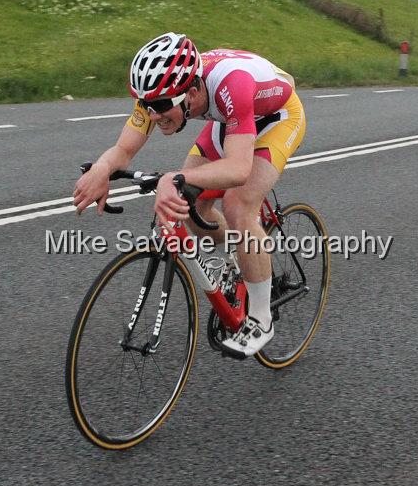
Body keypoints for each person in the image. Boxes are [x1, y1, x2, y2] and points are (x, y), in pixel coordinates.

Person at [73, 32, 306, 356]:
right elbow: (125, 147)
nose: (153, 115)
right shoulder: (164, 92)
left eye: (162, 106)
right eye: (147, 106)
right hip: (230, 116)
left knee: (237, 205)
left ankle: (261, 320)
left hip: (276, 116)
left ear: (192, 91)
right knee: (191, 204)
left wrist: (176, 176)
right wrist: (101, 169)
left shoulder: (230, 85)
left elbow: (238, 169)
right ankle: (241, 260)